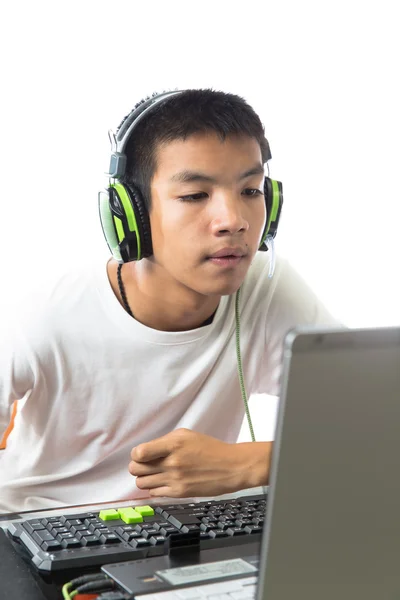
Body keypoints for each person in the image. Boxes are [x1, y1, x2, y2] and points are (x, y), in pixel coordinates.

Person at [0, 89, 338, 514]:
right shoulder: (43, 314)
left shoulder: (268, 289)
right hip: (40, 538)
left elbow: (376, 421)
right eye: (196, 195)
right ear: (131, 214)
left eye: (251, 191)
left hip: (189, 533)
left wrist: (252, 463)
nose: (234, 221)